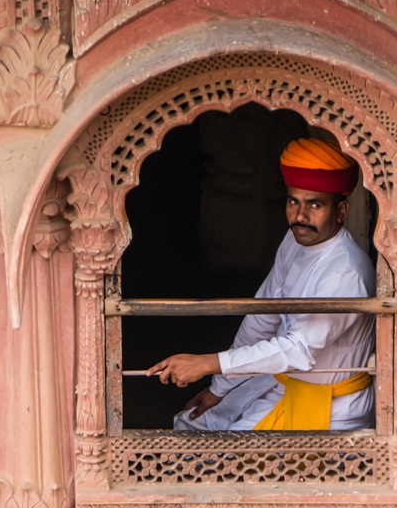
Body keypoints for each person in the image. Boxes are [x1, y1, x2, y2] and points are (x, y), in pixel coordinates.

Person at [146, 137, 376, 431]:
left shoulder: (345, 271)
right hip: (278, 382)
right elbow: (262, 316)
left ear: (341, 211)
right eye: (293, 201)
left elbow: (298, 351)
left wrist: (208, 364)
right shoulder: (294, 241)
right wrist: (220, 387)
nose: (300, 215)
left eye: (314, 204)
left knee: (216, 462)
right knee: (192, 425)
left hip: (328, 405)